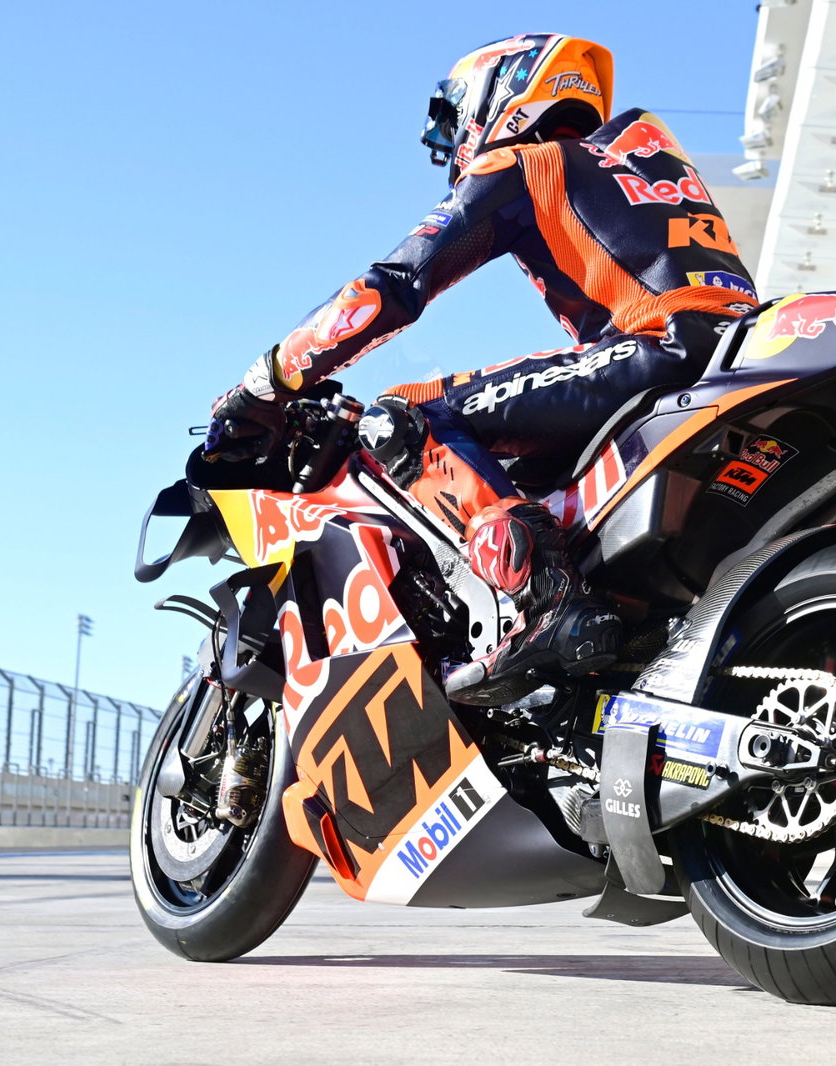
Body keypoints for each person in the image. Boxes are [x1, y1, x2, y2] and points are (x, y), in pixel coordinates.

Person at [205, 33, 758, 706]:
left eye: (454, 117)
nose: (455, 141)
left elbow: (392, 287)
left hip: (657, 349)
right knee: (525, 473)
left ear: (506, 90)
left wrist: (270, 379)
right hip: (732, 353)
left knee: (407, 415)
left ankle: (546, 596)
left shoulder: (529, 164)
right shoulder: (638, 160)